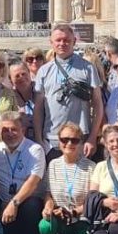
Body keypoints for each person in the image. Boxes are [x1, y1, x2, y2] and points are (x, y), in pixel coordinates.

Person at [33, 25, 104, 155]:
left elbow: (98, 105)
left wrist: (92, 137)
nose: (62, 43)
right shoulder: (44, 71)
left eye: (66, 40)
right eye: (58, 40)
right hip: (52, 140)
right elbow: (38, 108)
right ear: (51, 43)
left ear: (74, 42)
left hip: (80, 138)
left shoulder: (87, 68)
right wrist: (39, 139)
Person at [0, 111, 47, 234]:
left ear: (23, 130)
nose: (10, 133)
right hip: (3, 203)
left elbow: (32, 182)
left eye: (14, 129)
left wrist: (14, 204)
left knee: (31, 206)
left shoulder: (35, 150)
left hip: (25, 202)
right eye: (5, 130)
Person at [38, 122, 94, 234]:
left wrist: (74, 212)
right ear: (59, 141)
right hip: (60, 218)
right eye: (64, 140)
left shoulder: (91, 167)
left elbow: (91, 202)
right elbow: (48, 193)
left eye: (75, 140)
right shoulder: (53, 164)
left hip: (81, 221)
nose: (69, 143)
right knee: (44, 225)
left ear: (81, 143)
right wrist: (48, 206)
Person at [8, 60, 36, 139]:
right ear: (10, 80)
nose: (22, 77)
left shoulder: (41, 91)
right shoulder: (10, 98)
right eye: (17, 76)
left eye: (24, 74)